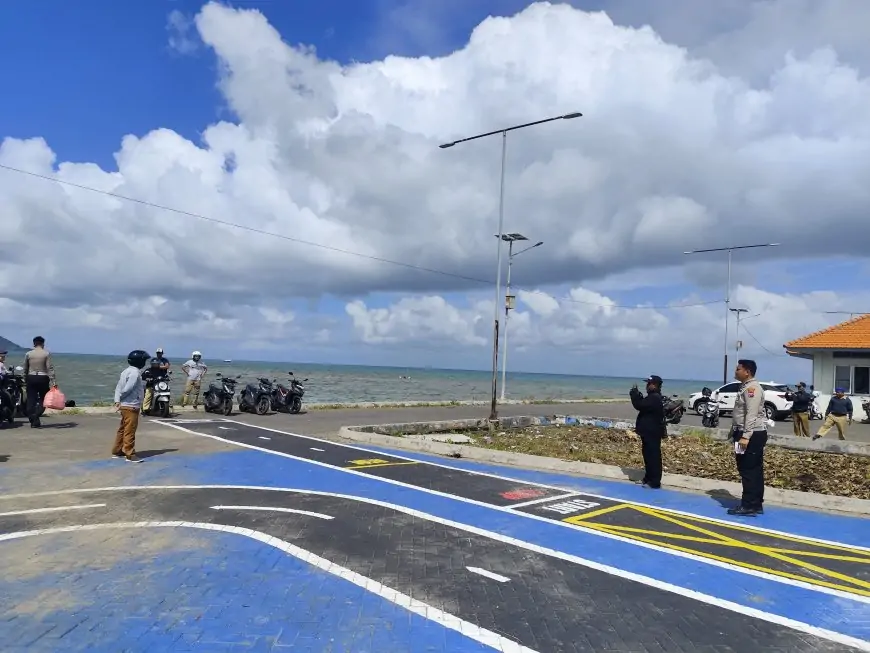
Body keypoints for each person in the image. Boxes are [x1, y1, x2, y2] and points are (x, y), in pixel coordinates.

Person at [729, 359, 768, 517]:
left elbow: (751, 414)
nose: (735, 371)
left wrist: (745, 436)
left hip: (751, 435)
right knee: (747, 468)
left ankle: (749, 505)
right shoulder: (744, 387)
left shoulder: (752, 388)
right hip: (742, 433)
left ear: (747, 372)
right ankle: (755, 503)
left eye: (738, 369)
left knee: (749, 469)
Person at [629, 375, 666, 489]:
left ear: (654, 385)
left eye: (649, 384)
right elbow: (643, 404)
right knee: (647, 456)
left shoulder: (655, 398)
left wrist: (634, 395)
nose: (647, 386)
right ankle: (647, 478)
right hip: (648, 432)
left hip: (653, 432)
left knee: (653, 457)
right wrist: (638, 396)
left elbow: (639, 405)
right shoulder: (651, 397)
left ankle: (654, 482)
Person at [112, 350, 149, 463]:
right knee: (130, 430)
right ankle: (130, 454)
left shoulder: (125, 371)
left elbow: (118, 387)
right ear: (139, 361)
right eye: (144, 360)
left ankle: (117, 451)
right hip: (131, 405)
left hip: (125, 405)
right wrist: (122, 398)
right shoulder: (135, 373)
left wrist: (117, 400)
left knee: (123, 429)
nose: (145, 362)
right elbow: (128, 388)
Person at [23, 336, 56, 428]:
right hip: (43, 378)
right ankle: (36, 416)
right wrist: (54, 382)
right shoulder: (46, 354)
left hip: (31, 377)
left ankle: (33, 420)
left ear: (34, 344)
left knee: (31, 399)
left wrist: (25, 379)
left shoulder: (28, 354)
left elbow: (25, 368)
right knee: (44, 400)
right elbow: (50, 368)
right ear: (42, 344)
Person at [142, 347, 171, 413]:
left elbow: (167, 367)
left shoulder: (163, 365)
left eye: (160, 353)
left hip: (160, 382)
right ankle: (145, 409)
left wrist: (167, 377)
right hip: (151, 384)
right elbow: (143, 375)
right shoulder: (149, 370)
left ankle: (165, 405)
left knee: (166, 390)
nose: (159, 354)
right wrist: (147, 378)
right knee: (148, 394)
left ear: (162, 353)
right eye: (158, 353)